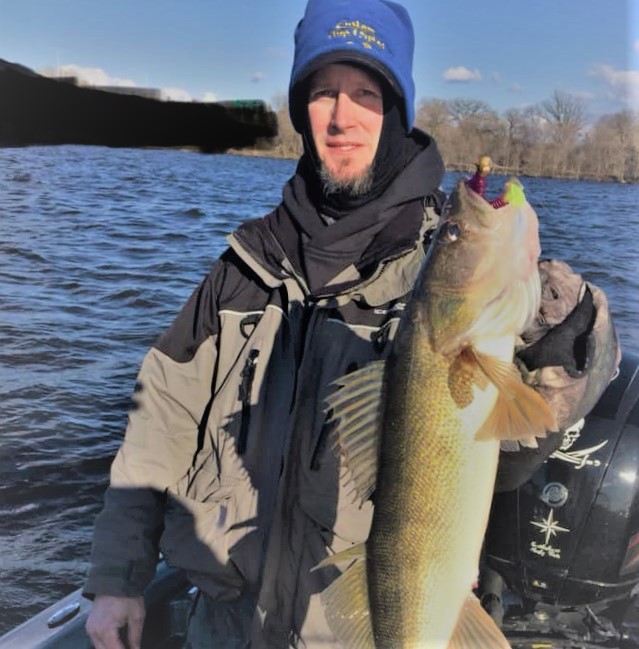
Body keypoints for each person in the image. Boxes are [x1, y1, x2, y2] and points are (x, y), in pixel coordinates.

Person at [84, 0, 619, 647]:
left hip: (357, 627)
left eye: (365, 92)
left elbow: (512, 449)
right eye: (323, 92)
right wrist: (117, 577)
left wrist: (559, 349)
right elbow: (157, 426)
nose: (341, 114)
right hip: (220, 623)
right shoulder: (240, 270)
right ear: (300, 109)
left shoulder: (434, 284)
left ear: (396, 109)